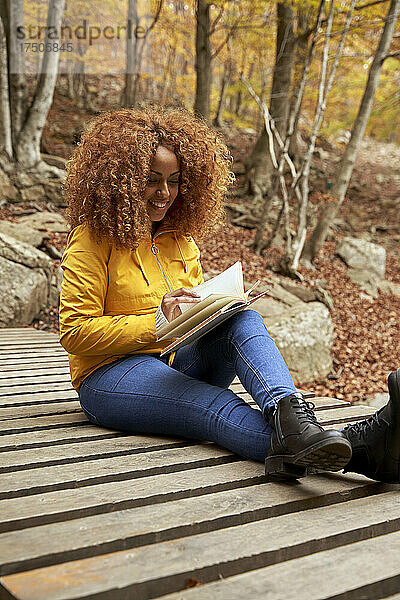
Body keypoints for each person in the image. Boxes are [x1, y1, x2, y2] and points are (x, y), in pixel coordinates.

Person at [59, 103, 400, 483]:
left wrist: (217, 310)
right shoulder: (92, 238)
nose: (164, 193)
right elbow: (74, 331)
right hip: (109, 377)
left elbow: (190, 320)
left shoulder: (181, 239)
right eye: (151, 179)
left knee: (243, 317)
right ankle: (360, 450)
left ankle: (293, 416)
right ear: (121, 179)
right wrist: (156, 323)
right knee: (215, 405)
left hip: (174, 361)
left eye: (174, 181)